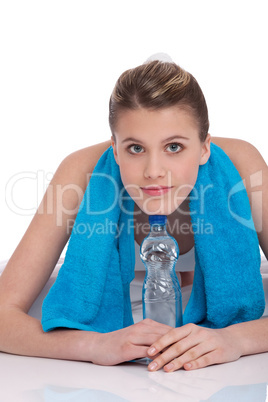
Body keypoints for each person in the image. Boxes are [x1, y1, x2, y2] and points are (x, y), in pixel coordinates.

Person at [0, 58, 267, 373]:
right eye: (136, 149)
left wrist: (236, 340)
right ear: (114, 149)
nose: (154, 172)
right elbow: (4, 316)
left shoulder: (241, 166)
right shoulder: (81, 171)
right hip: (109, 333)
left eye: (174, 147)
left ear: (204, 148)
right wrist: (94, 345)